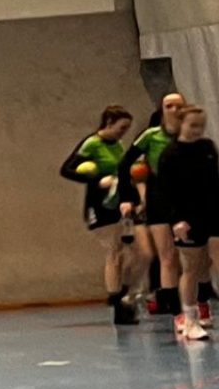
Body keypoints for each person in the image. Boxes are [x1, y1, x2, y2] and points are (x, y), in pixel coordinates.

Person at [58, 105, 139, 324]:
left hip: (119, 203)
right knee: (114, 251)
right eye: (121, 128)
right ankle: (117, 303)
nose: (124, 133)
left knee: (133, 253)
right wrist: (96, 180)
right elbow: (66, 170)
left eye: (127, 129)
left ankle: (125, 295)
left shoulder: (119, 146)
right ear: (109, 123)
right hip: (99, 204)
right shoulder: (92, 143)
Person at [128, 93, 189, 329]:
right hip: (155, 203)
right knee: (161, 254)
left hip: (182, 202)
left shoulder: (188, 140)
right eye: (168, 108)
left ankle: (189, 302)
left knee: (189, 256)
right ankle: (166, 301)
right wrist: (141, 198)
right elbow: (136, 173)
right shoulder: (149, 144)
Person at [163, 105, 215, 333]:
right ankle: (190, 318)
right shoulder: (170, 154)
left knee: (215, 259)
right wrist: (176, 220)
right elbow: (166, 192)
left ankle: (204, 306)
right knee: (192, 267)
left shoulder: (207, 147)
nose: (197, 130)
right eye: (193, 125)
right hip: (187, 217)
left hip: (212, 213)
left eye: (201, 126)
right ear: (180, 124)